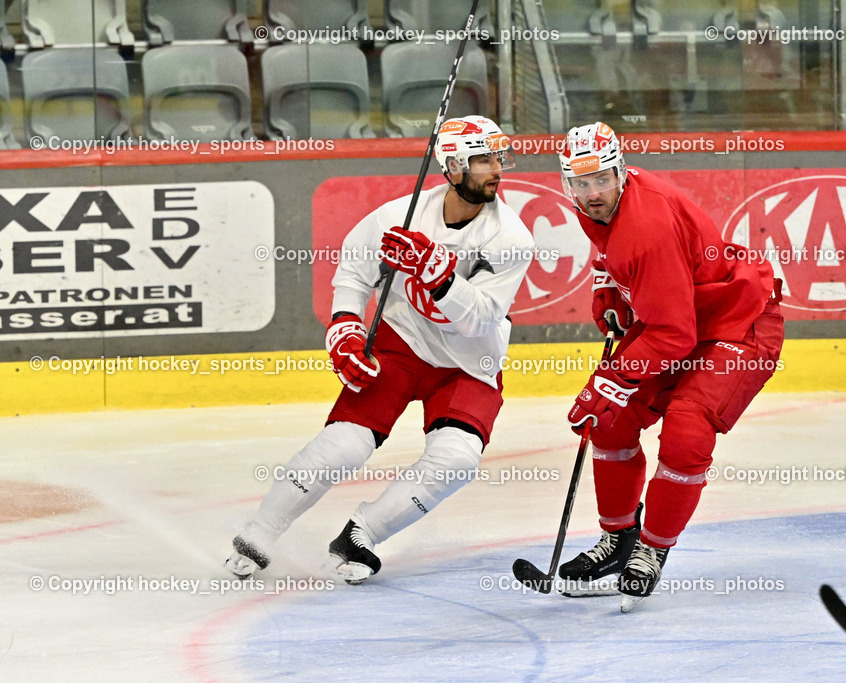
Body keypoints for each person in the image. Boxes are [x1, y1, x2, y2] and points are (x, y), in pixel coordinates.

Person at [226, 115, 534, 584]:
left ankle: (362, 534)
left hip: (470, 363)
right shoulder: (399, 216)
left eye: (498, 158)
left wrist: (438, 275)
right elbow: (354, 270)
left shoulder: (511, 237)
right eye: (484, 160)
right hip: (400, 344)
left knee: (456, 460)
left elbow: (480, 319)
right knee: (342, 446)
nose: (497, 169)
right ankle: (260, 532)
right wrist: (345, 327)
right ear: (453, 166)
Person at [556, 122, 784, 605]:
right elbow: (619, 256)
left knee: (686, 431)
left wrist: (611, 379)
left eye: (601, 179)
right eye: (581, 182)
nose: (592, 192)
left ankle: (651, 549)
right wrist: (609, 283)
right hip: (680, 315)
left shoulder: (646, 227)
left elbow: (673, 335)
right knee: (611, 421)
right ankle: (619, 540)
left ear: (620, 172)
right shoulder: (606, 202)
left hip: (737, 321)